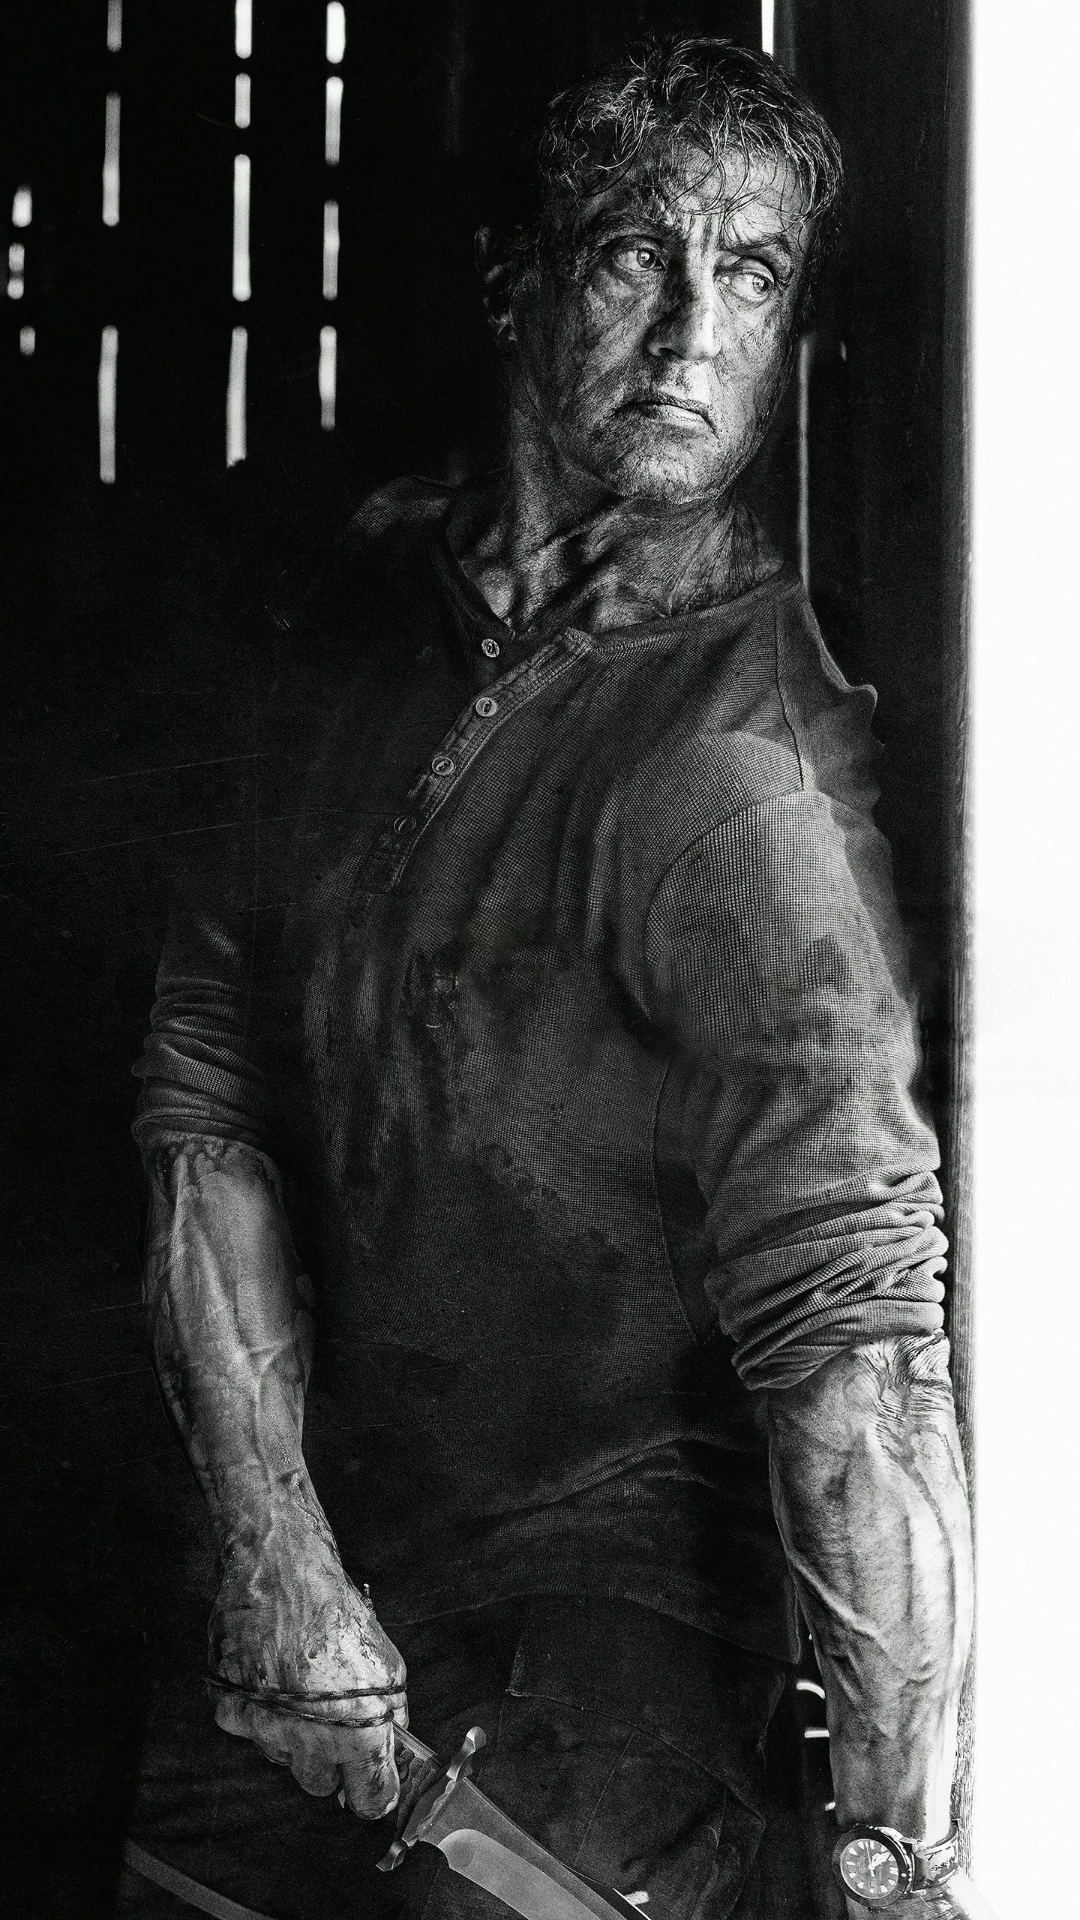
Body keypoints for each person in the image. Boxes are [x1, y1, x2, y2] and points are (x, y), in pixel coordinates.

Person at [121, 35, 981, 1920]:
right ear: (517, 275)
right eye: (635, 255)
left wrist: (902, 1859)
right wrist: (275, 1550)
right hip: (320, 1577)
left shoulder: (747, 783)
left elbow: (862, 1362)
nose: (691, 332)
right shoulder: (353, 611)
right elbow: (206, 1090)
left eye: (750, 274)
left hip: (613, 1643)